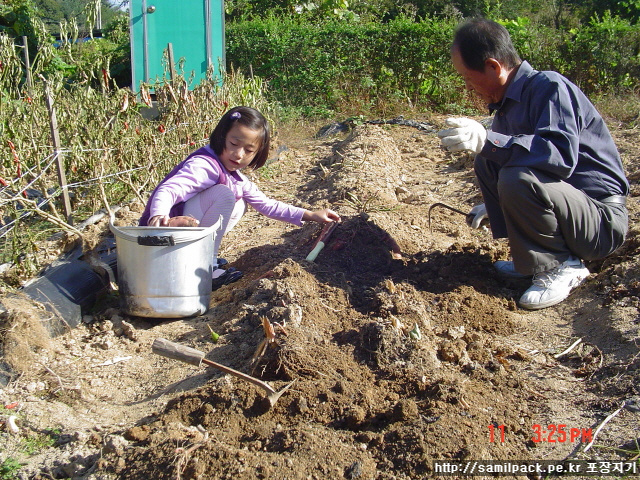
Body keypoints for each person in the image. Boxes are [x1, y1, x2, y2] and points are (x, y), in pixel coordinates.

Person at [438, 18, 629, 310]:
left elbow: (559, 156)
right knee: (489, 162)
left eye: (467, 77)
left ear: (493, 66)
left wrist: (490, 140)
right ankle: (534, 258)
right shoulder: (507, 104)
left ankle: (562, 264)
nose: (468, 87)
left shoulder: (549, 87)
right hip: (571, 216)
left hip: (600, 223)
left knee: (515, 174)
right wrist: (494, 204)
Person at [139, 106, 340, 288]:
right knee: (225, 195)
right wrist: (158, 216)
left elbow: (267, 205)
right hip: (159, 235)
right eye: (234, 143)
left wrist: (312, 214)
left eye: (249, 150)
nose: (238, 154)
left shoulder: (236, 178)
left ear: (257, 153)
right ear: (221, 137)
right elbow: (169, 189)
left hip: (183, 236)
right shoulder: (205, 164)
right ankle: (204, 265)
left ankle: (198, 256)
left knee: (239, 201)